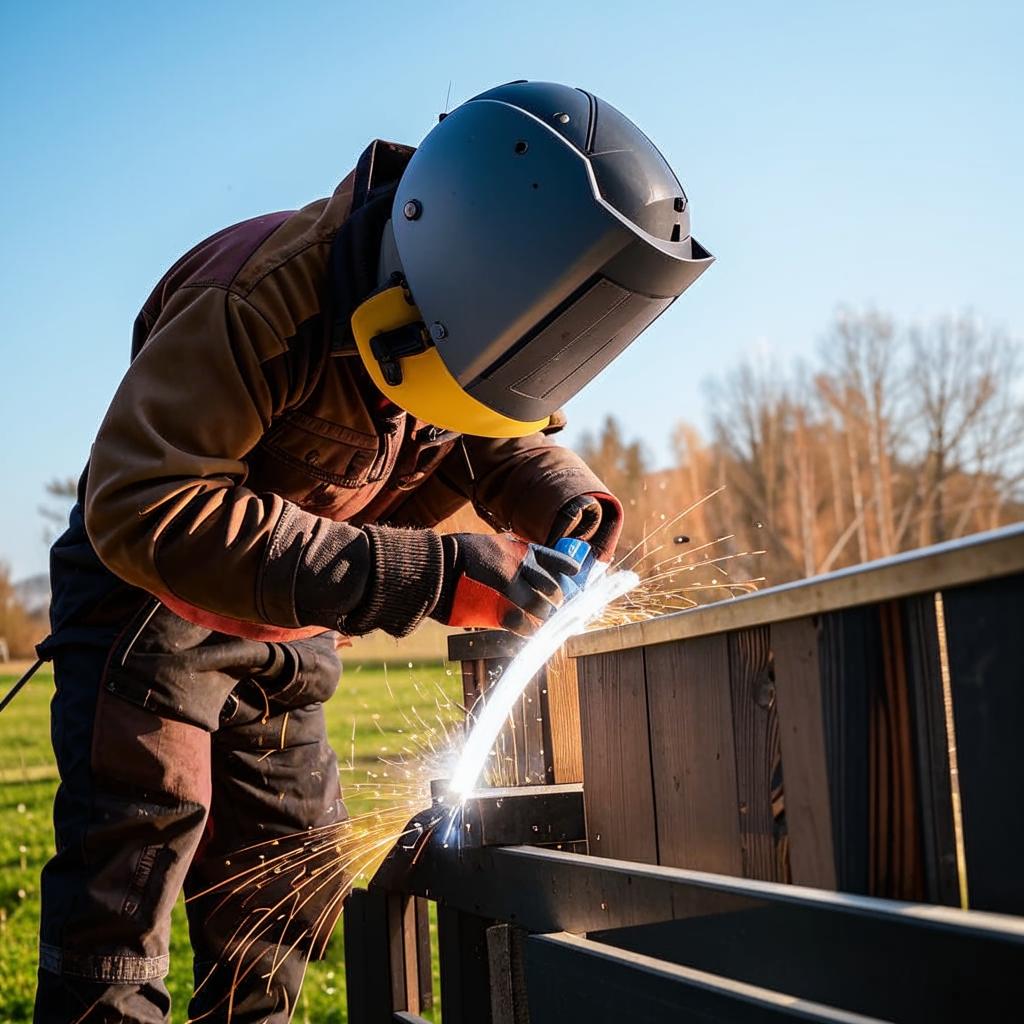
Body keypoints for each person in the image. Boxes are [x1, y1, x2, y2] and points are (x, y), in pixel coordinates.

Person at [33, 80, 712, 1022]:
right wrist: (430, 575)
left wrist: (566, 504)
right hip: (153, 603)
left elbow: (483, 427)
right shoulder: (260, 300)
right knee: (131, 872)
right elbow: (145, 503)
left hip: (295, 610)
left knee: (284, 877)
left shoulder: (463, 309)